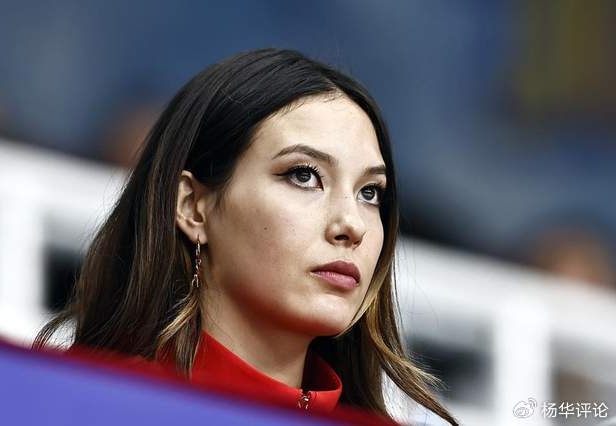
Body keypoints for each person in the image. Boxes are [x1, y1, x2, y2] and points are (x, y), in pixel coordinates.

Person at [33, 48, 458, 425]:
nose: (353, 224)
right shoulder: (82, 406)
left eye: (370, 193)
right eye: (304, 175)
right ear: (193, 207)